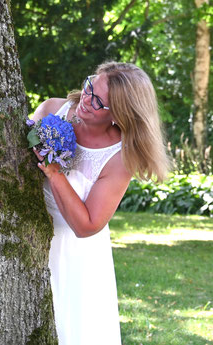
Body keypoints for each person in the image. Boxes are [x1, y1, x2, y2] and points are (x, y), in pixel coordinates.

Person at [31, 61, 169, 345]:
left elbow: (87, 225)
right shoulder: (50, 110)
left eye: (99, 102)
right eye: (89, 86)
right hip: (24, 237)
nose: (86, 100)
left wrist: (54, 173)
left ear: (120, 113)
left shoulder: (119, 158)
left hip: (73, 256)